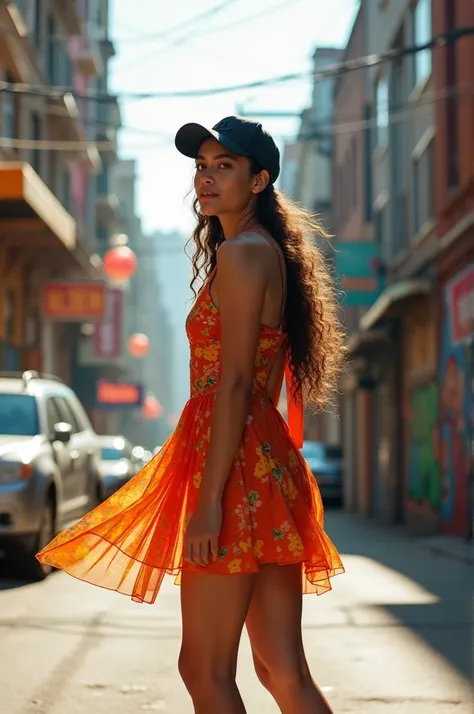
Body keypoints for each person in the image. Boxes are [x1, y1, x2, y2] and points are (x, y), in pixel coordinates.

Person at [37, 115, 345, 714]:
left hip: (232, 468)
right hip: (263, 460)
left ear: (259, 181)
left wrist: (208, 504)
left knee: (203, 669)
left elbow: (231, 384)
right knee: (282, 669)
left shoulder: (242, 256)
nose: (205, 178)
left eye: (223, 166)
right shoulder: (263, 253)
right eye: (201, 167)